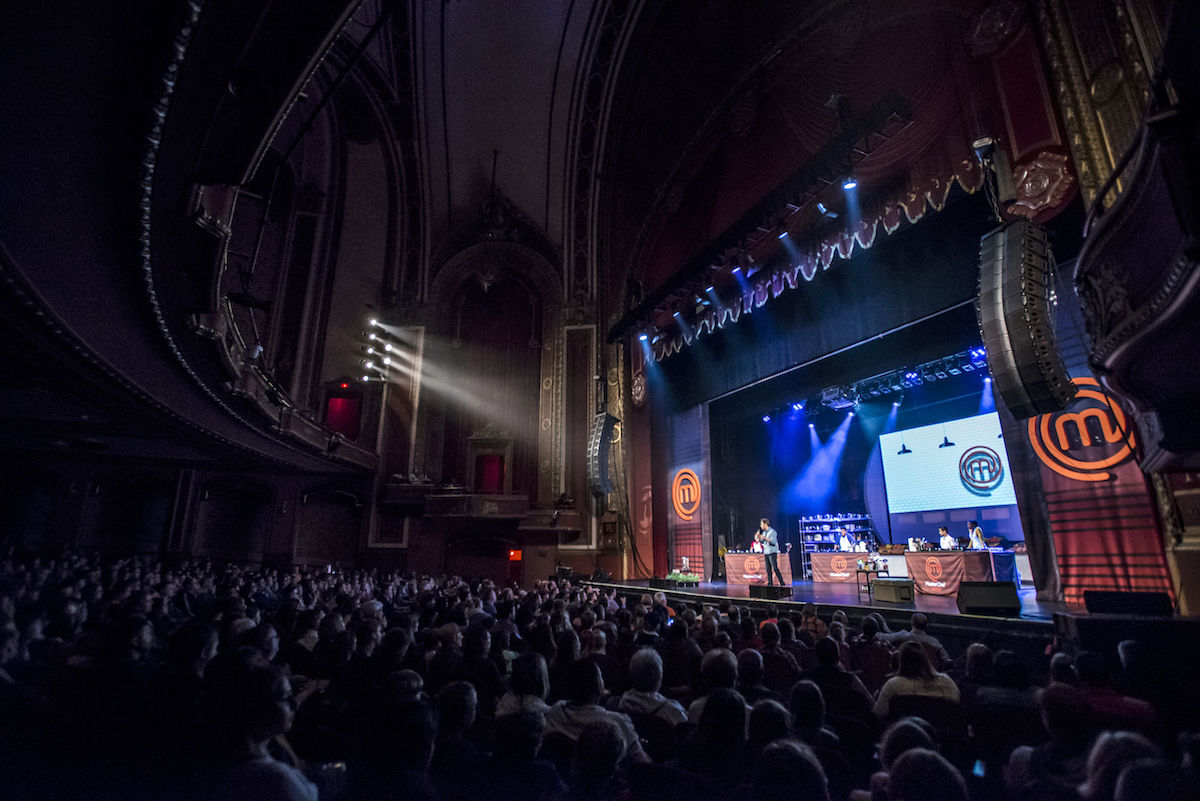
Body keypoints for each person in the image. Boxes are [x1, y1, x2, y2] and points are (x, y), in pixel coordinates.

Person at [759, 518, 785, 586]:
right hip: (766, 552)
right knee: (768, 569)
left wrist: (764, 538)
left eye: (761, 524)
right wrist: (759, 538)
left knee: (775, 567)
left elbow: (773, 542)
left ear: (765, 524)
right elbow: (762, 541)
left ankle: (782, 582)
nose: (761, 526)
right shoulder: (764, 532)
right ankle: (770, 583)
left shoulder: (772, 532)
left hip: (772, 552)